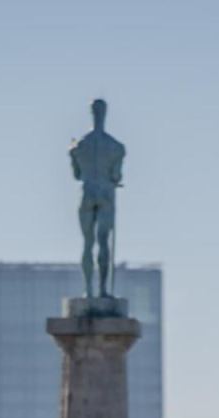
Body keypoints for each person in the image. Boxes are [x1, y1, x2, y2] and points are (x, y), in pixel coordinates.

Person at [69, 99, 126, 299]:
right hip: (105, 194)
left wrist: (73, 156)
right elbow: (116, 176)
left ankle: (89, 290)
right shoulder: (116, 147)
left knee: (88, 243)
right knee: (103, 242)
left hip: (87, 192)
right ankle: (101, 289)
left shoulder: (79, 146)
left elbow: (77, 175)